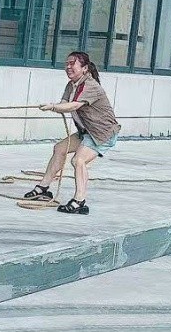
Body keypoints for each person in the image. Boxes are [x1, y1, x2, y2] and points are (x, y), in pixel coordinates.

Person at [24, 51, 121, 215]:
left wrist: (53, 107)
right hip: (86, 132)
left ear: (84, 68)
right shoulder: (71, 85)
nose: (68, 67)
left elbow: (74, 105)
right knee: (59, 148)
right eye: (67, 63)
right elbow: (64, 103)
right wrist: (54, 106)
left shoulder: (91, 86)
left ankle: (79, 201)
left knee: (78, 160)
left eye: (72, 64)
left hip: (102, 134)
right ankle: (43, 188)